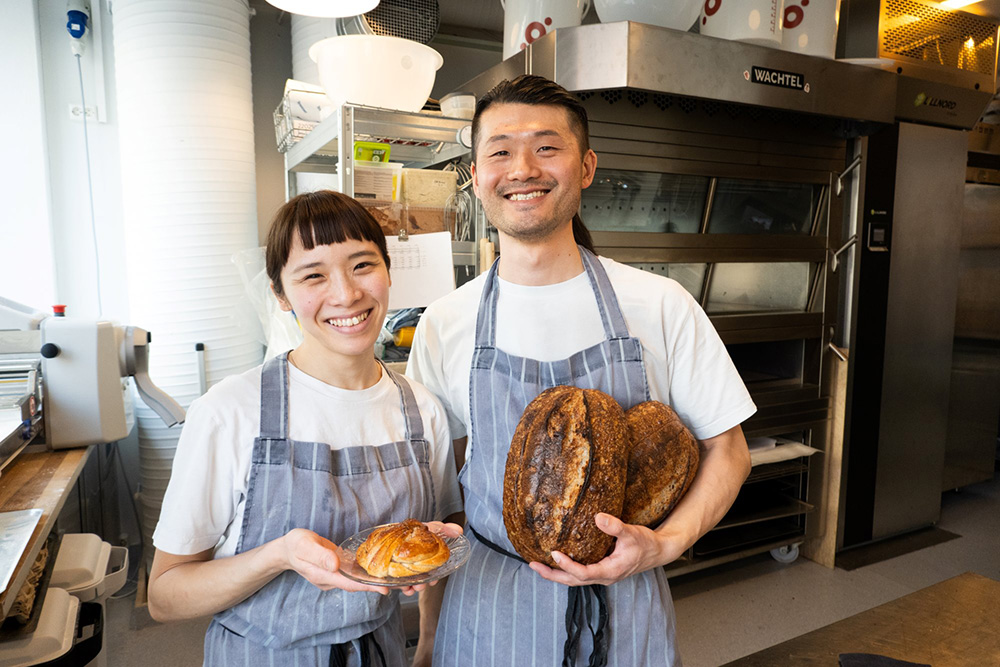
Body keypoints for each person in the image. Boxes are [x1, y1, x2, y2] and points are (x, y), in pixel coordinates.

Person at [406, 75, 757, 666]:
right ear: (474, 177)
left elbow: (730, 450)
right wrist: (429, 640)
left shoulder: (659, 304)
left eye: (547, 147)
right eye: (499, 151)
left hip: (623, 610)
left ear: (587, 166)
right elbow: (442, 504)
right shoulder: (445, 323)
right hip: (488, 612)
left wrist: (662, 545)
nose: (522, 168)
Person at [148, 190, 463, 667]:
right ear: (280, 294)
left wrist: (429, 647)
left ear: (388, 271)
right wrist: (279, 555)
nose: (346, 294)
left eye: (362, 265)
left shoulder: (423, 410)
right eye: (313, 275)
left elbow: (443, 546)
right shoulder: (232, 411)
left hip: (382, 652)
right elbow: (165, 597)